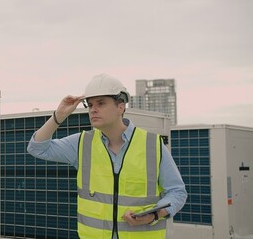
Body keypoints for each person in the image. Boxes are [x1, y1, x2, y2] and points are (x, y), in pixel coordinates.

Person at [27, 74, 187, 239]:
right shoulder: (82, 143)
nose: (93, 109)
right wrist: (59, 116)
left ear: (121, 107)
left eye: (101, 103)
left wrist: (155, 215)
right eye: (89, 105)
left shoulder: (152, 145)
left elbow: (177, 192)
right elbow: (37, 148)